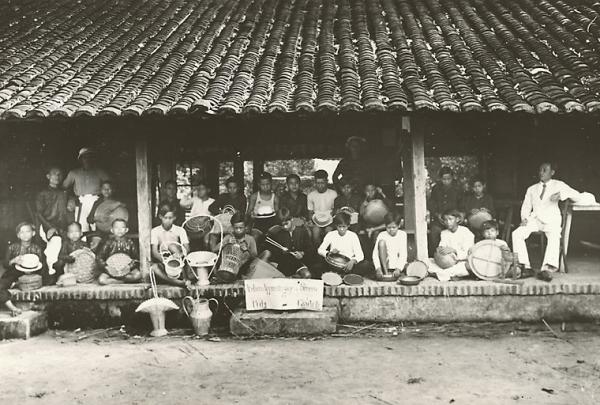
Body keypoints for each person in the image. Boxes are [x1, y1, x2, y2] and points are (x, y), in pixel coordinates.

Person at [512, 162, 581, 282]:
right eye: (540, 170)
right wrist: (524, 218)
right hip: (535, 219)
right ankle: (525, 266)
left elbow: (577, 195)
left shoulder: (558, 185)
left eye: (544, 170)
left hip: (552, 220)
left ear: (552, 172)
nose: (541, 173)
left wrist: (561, 194)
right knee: (517, 233)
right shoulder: (532, 189)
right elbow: (526, 206)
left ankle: (547, 269)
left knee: (554, 236)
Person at [0, 223, 47, 316]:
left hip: (31, 275)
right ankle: (13, 308)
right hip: (13, 273)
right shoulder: (12, 247)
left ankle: (17, 285)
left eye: (27, 231)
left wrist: (32, 270)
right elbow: (5, 264)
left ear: (33, 233)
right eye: (21, 232)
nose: (25, 234)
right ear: (18, 235)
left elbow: (41, 265)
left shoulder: (37, 248)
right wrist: (13, 260)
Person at [63, 147, 110, 232]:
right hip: (81, 201)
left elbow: (110, 186)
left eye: (90, 157)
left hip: (97, 200)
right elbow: (64, 188)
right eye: (85, 157)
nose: (88, 159)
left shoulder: (100, 172)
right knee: (81, 228)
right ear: (80, 159)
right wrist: (71, 198)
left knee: (97, 227)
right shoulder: (74, 173)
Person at [316, 212, 374, 279]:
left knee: (366, 265)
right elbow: (320, 250)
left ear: (348, 226)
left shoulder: (353, 236)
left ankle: (339, 275)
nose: (342, 229)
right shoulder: (330, 234)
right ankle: (342, 275)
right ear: (336, 226)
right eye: (339, 226)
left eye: (344, 226)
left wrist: (352, 261)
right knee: (317, 267)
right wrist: (329, 253)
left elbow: (360, 255)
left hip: (348, 264)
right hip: (334, 264)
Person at [35, 166, 70, 272]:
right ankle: (51, 272)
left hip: (62, 226)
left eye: (59, 174)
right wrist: (50, 227)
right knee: (56, 241)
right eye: (54, 173)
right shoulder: (42, 193)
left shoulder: (64, 193)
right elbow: (38, 213)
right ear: (48, 176)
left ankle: (65, 271)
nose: (57, 176)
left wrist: (72, 200)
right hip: (47, 226)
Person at [262, 208, 313, 278]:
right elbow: (272, 251)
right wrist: (281, 252)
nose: (284, 226)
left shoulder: (302, 231)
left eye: (286, 223)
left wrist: (302, 253)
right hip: (282, 263)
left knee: (306, 275)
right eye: (281, 224)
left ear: (291, 219)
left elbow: (310, 249)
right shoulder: (277, 233)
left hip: (297, 263)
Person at [150, 203, 191, 287]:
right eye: (165, 218)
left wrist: (178, 256)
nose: (168, 220)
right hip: (164, 259)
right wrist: (165, 261)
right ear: (160, 217)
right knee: (153, 267)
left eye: (170, 218)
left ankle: (183, 277)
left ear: (174, 218)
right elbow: (154, 252)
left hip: (178, 260)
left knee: (171, 246)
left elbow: (187, 248)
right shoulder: (155, 231)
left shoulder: (180, 230)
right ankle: (178, 283)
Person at [430, 209, 474, 282]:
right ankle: (451, 274)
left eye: (450, 219)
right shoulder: (444, 233)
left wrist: (454, 250)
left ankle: (441, 274)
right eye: (445, 220)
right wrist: (440, 250)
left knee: (467, 266)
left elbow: (469, 253)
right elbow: (442, 246)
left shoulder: (466, 232)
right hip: (447, 262)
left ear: (457, 219)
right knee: (428, 261)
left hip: (461, 262)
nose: (448, 222)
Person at [96, 219, 142, 285]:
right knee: (101, 280)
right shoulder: (108, 243)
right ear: (112, 230)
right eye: (116, 227)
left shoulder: (130, 243)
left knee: (137, 275)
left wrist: (129, 267)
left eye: (122, 227)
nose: (119, 230)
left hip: (126, 271)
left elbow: (136, 259)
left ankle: (117, 281)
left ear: (126, 230)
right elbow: (99, 258)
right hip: (112, 270)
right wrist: (107, 267)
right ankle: (121, 282)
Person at [215, 212, 258, 282]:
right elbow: (214, 249)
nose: (238, 230)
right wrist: (226, 242)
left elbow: (255, 257)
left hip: (242, 269)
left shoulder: (250, 239)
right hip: (226, 268)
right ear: (232, 227)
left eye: (241, 228)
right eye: (236, 228)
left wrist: (247, 250)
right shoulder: (229, 237)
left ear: (246, 227)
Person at [86, 180, 129, 250]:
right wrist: (97, 218)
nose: (106, 190)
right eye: (104, 189)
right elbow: (89, 219)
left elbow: (126, 210)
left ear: (113, 190)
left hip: (117, 230)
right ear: (100, 190)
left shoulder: (118, 201)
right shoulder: (97, 203)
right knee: (94, 245)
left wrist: (120, 204)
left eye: (109, 189)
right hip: (100, 231)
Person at [428, 167, 462, 252]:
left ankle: (454, 252)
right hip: (440, 220)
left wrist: (458, 216)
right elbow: (432, 204)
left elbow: (462, 205)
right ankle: (437, 254)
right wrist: (437, 215)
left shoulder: (458, 189)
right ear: (440, 178)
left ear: (452, 178)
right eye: (444, 179)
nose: (446, 181)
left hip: (454, 219)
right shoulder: (436, 189)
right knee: (435, 231)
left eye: (448, 179)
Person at [372, 212, 407, 280]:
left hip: (396, 265)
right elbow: (375, 254)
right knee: (381, 243)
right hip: (384, 264)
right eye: (388, 227)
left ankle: (394, 272)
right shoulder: (381, 234)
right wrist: (378, 269)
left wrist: (398, 269)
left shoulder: (402, 235)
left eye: (394, 227)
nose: (391, 230)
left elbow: (403, 254)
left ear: (399, 225)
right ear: (385, 226)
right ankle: (385, 272)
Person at [307, 170, 338, 245]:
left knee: (329, 231)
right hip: (317, 221)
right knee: (315, 232)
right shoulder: (311, 195)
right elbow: (310, 212)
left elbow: (335, 210)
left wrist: (330, 220)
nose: (320, 185)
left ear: (327, 181)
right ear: (315, 182)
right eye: (318, 183)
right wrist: (313, 221)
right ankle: (318, 253)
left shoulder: (333, 194)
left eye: (322, 183)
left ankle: (329, 254)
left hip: (330, 221)